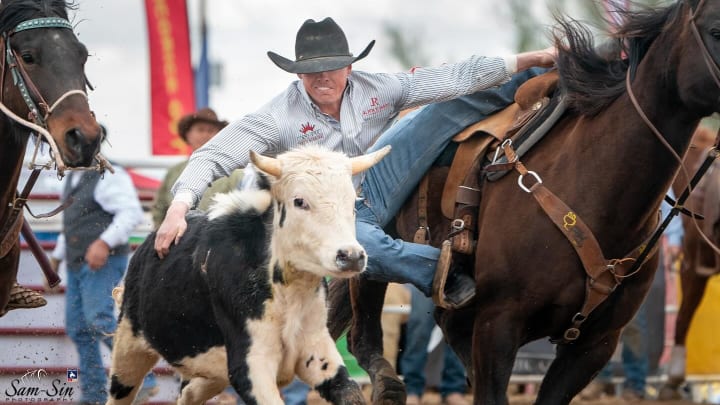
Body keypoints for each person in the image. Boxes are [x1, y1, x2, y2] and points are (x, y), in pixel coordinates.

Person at [154, 17, 555, 309]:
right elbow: (213, 154)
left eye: (329, 67)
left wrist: (534, 56)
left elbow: (452, 76)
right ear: (298, 74)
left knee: (448, 102)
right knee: (362, 248)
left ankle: (556, 69)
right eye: (309, 70)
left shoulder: (378, 88)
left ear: (349, 66)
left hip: (371, 182)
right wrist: (178, 207)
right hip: (316, 213)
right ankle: (466, 267)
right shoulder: (278, 117)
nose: (320, 77)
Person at [50, 129, 157, 404]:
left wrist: (103, 243)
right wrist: (57, 257)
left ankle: (140, 379)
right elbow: (73, 223)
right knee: (80, 328)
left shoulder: (107, 173)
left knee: (97, 319)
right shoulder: (74, 176)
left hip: (101, 259)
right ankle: (94, 393)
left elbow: (131, 212)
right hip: (81, 261)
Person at [580, 190, 683, 401]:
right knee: (598, 316)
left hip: (638, 251)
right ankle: (599, 379)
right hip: (604, 248)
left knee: (634, 322)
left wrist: (674, 239)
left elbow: (668, 203)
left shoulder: (657, 166)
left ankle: (635, 384)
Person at [151, 107, 230, 228]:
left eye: (211, 130)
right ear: (188, 134)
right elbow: (160, 209)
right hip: (177, 241)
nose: (205, 135)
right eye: (200, 130)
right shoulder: (174, 172)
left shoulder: (233, 172)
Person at [402, 286, 469, 405]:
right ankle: (412, 389)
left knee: (456, 328)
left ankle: (454, 389)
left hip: (456, 273)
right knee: (419, 327)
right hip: (427, 274)